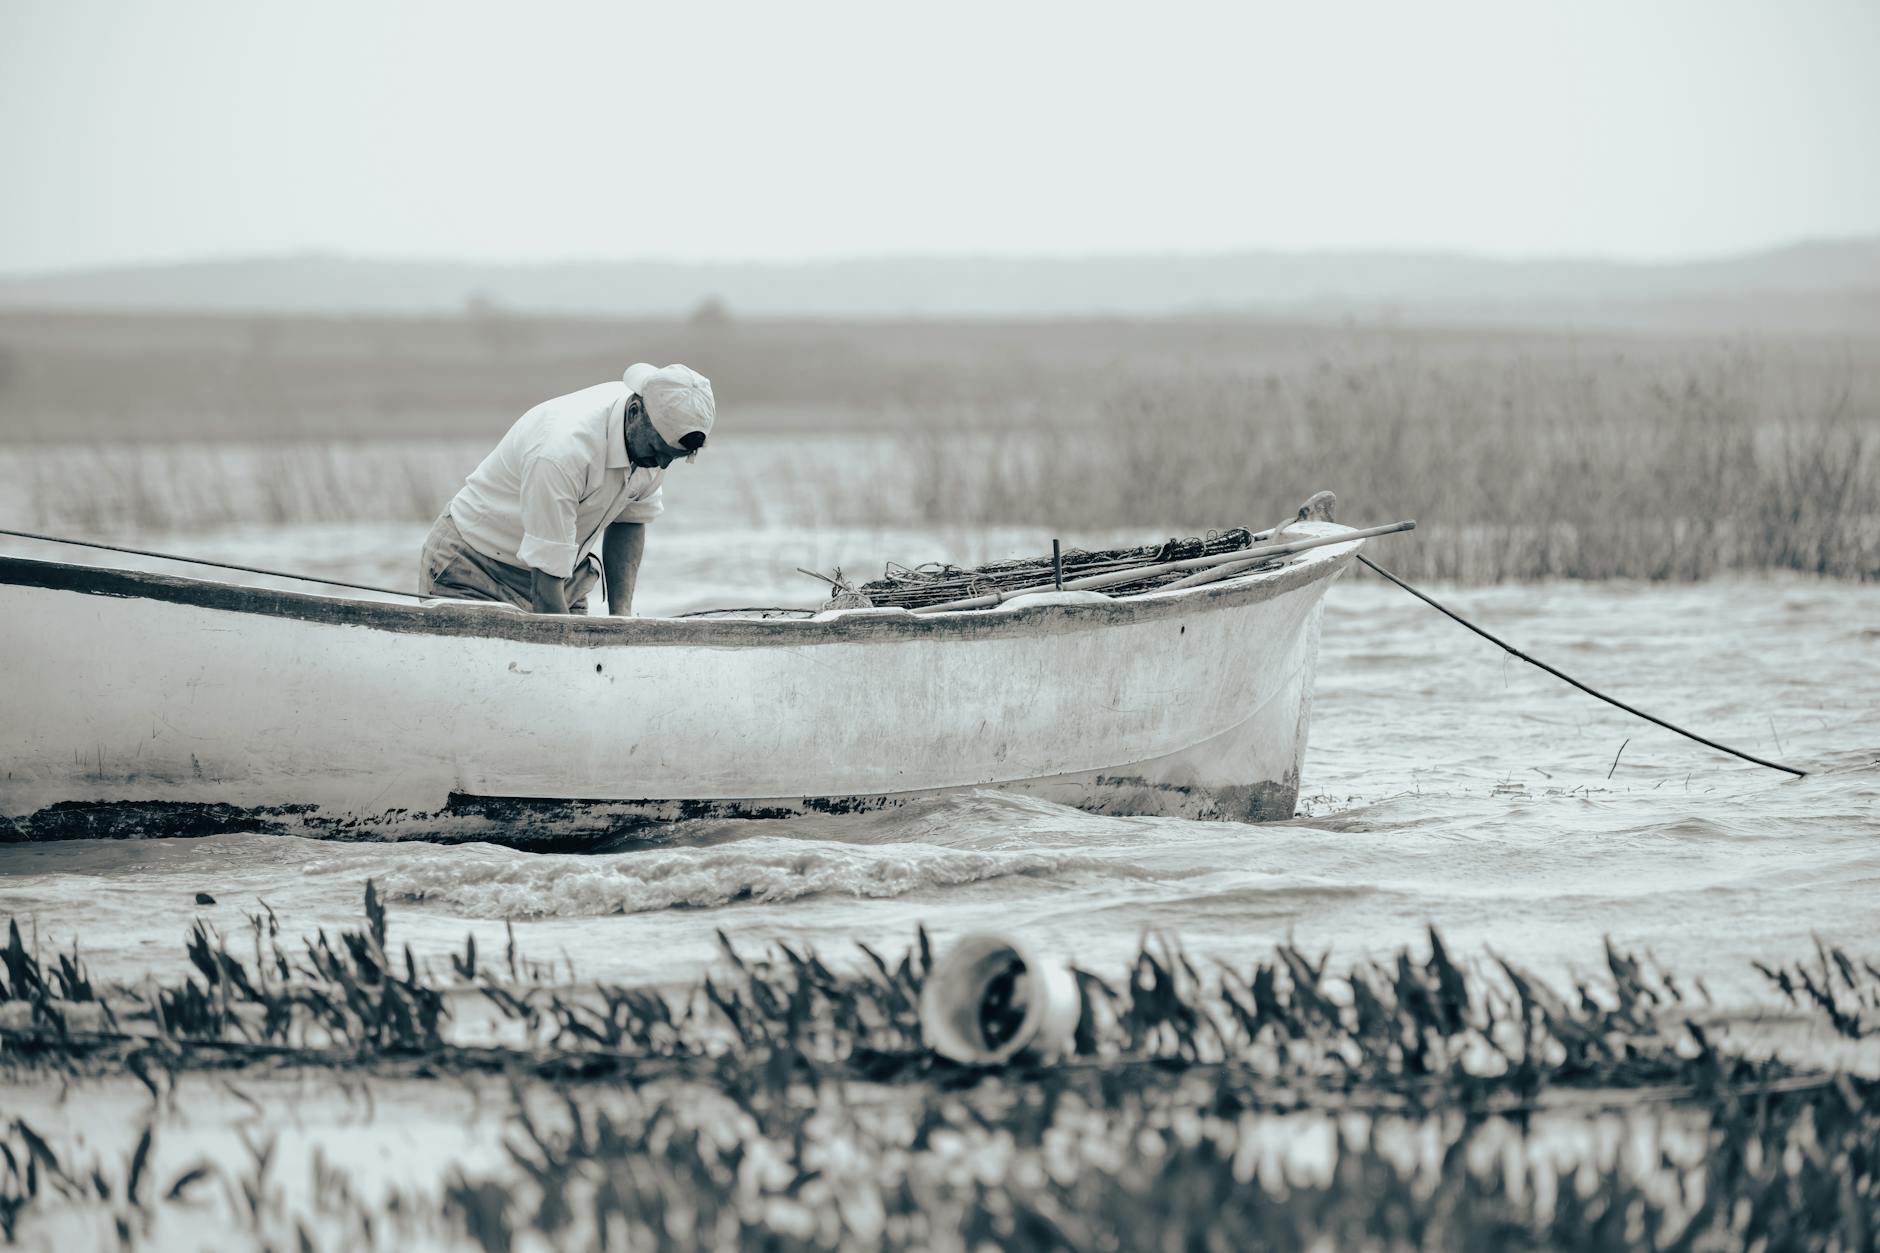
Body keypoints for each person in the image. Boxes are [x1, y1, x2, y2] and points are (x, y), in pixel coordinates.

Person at [419, 363, 713, 615]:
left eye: (671, 459)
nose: (660, 465)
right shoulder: (562, 453)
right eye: (656, 450)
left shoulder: (655, 444)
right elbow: (545, 582)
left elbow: (631, 521)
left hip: (566, 575)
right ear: (635, 412)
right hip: (473, 568)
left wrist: (621, 620)